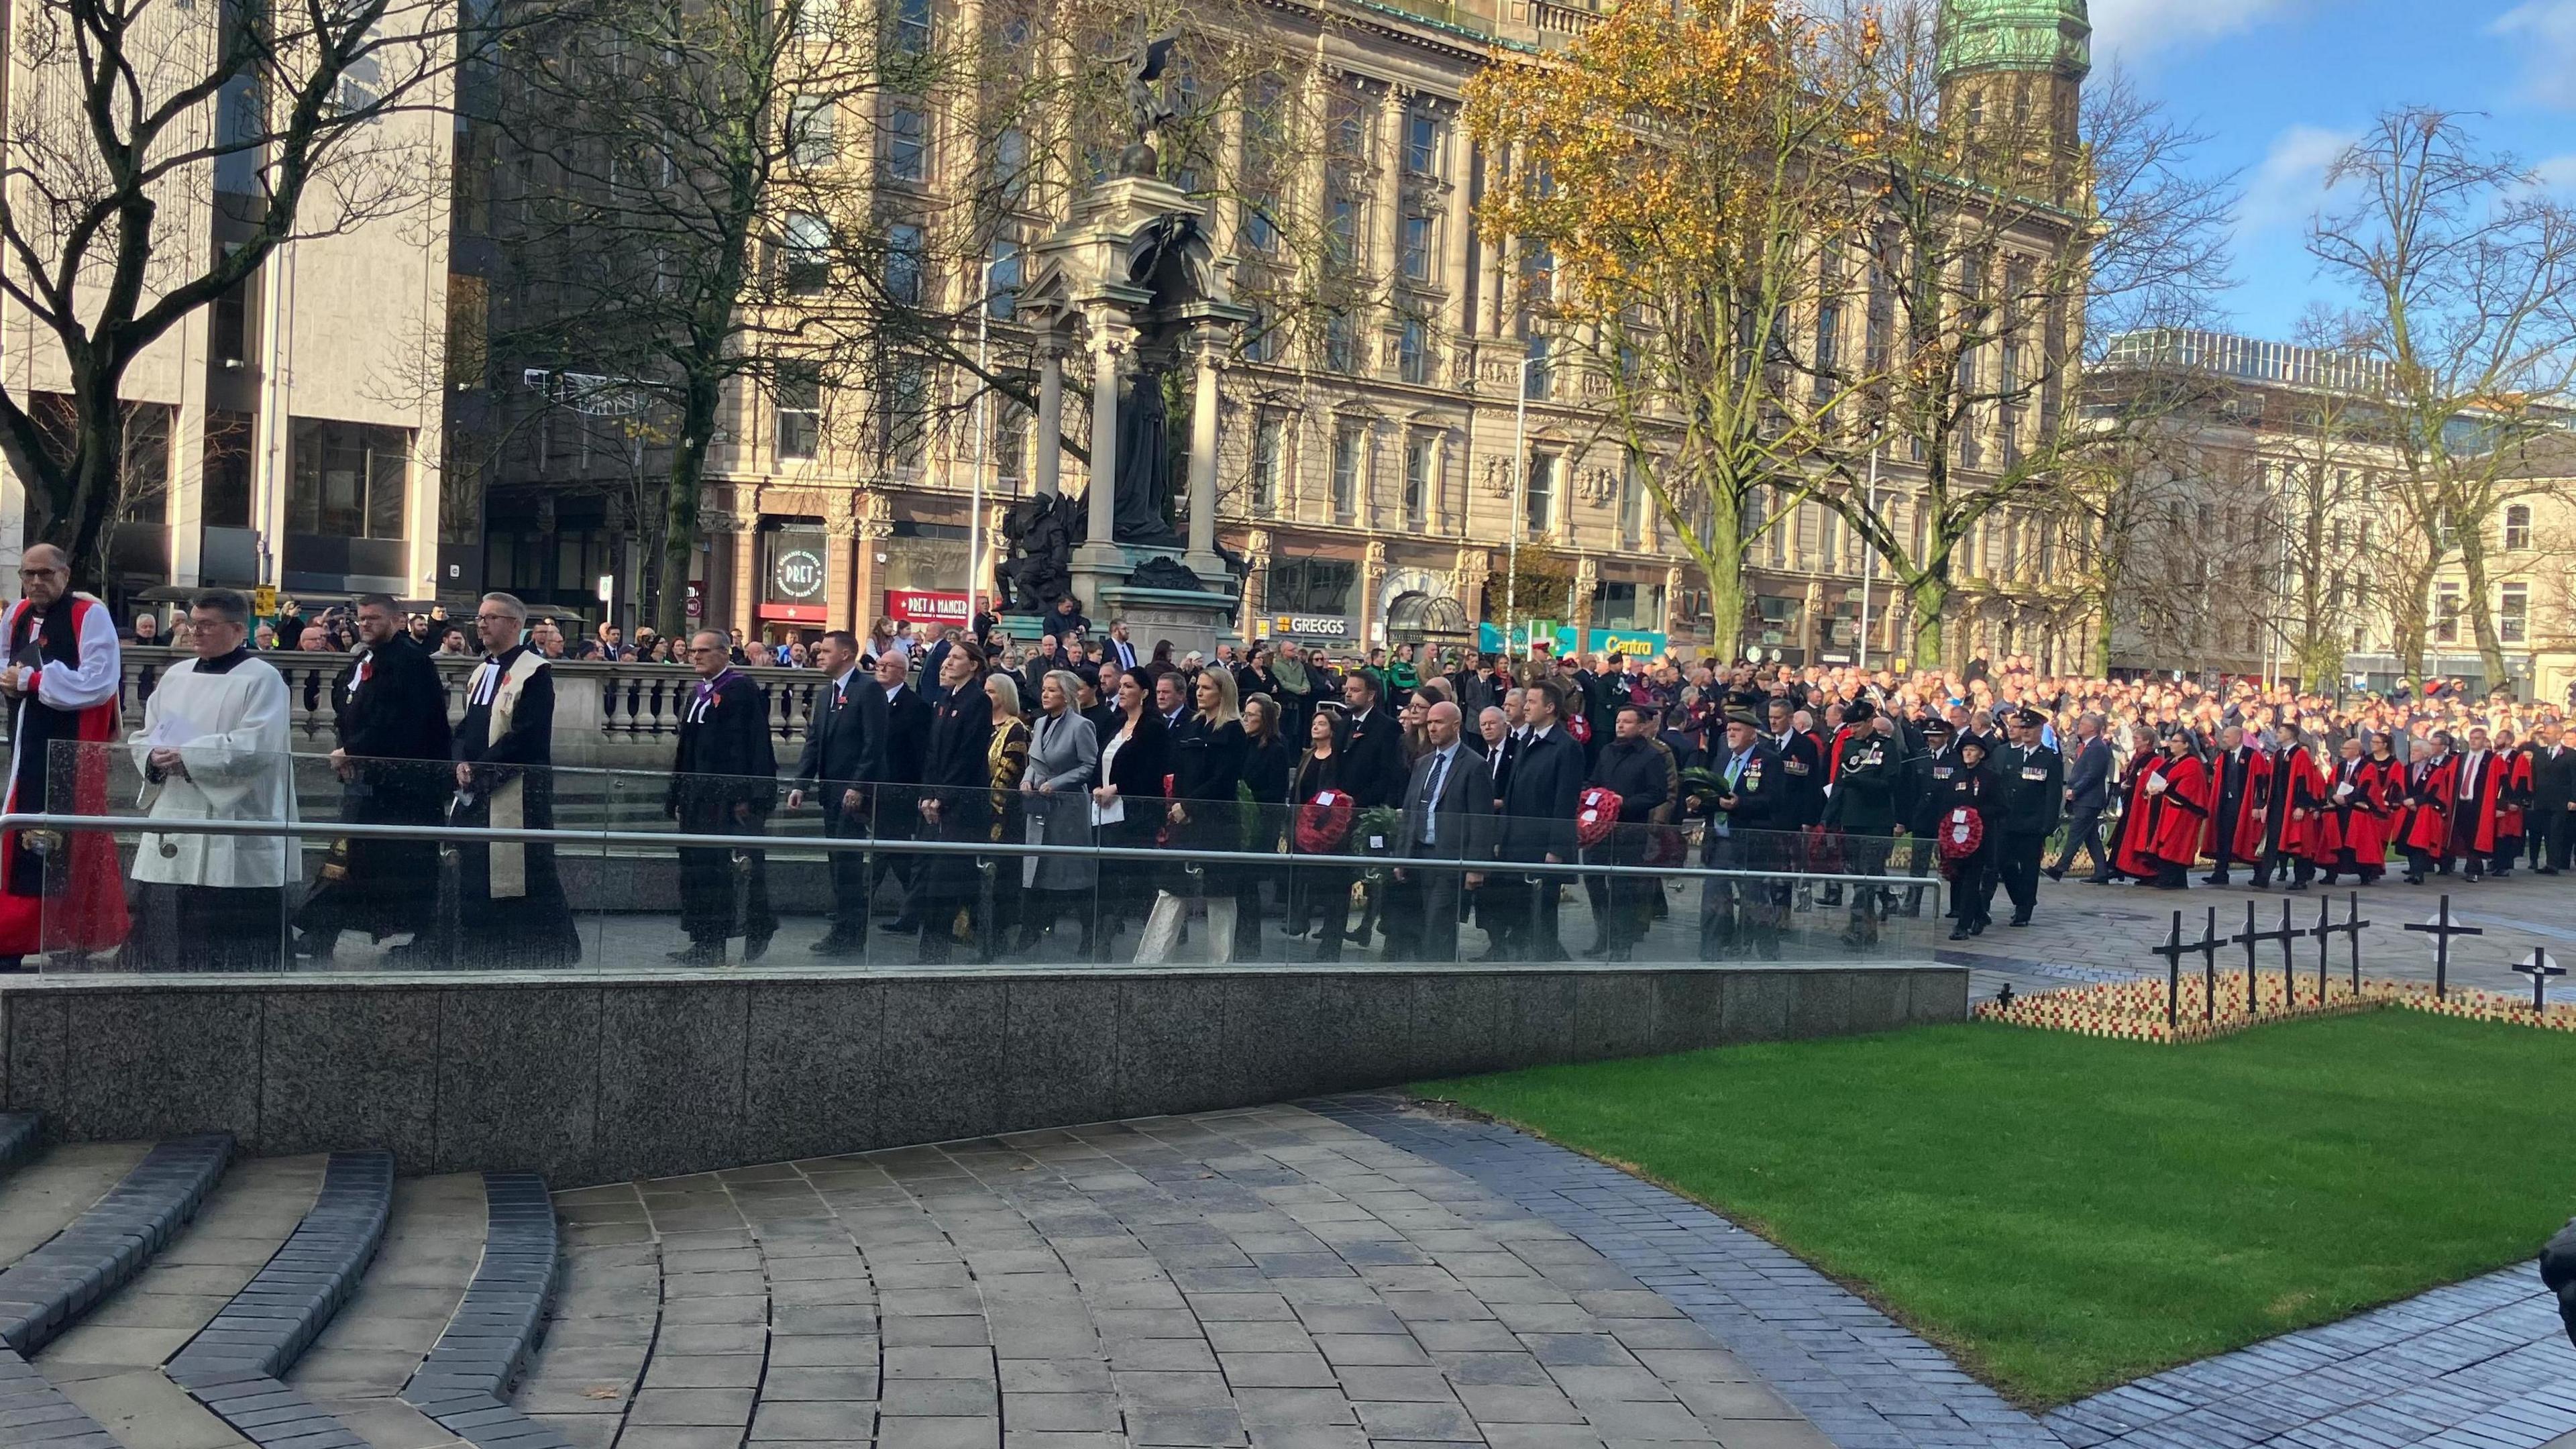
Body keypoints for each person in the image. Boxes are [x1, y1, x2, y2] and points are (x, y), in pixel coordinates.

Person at [125, 590, 295, 969]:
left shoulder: (263, 679)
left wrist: (189, 757)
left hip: (235, 817)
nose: (193, 632)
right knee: (165, 923)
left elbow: (257, 746)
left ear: (238, 630)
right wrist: (153, 756)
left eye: (206, 625)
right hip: (175, 811)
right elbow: (146, 733)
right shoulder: (175, 675)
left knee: (230, 937)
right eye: (191, 623)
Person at [295, 593, 452, 962]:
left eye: (374, 618)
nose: (365, 624)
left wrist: (356, 751)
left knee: (406, 866)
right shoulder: (362, 658)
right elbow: (345, 709)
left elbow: (404, 721)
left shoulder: (412, 662)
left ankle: (425, 939)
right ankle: (321, 931)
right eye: (362, 618)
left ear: (397, 621)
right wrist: (346, 748)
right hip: (366, 780)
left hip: (404, 788)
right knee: (346, 859)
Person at [0, 544, 127, 967]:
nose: (36, 582)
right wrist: (10, 679)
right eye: (28, 573)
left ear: (65, 574)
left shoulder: (89, 615)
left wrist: (34, 680)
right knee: (23, 834)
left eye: (45, 574)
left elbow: (100, 682)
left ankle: (69, 934)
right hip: (27, 738)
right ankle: (18, 936)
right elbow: (4, 661)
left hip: (68, 746)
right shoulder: (16, 613)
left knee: (60, 838)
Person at [451, 593, 582, 967]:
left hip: (516, 790)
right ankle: (477, 942)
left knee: (523, 870)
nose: (481, 623)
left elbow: (529, 736)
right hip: (476, 786)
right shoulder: (481, 671)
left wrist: (480, 768)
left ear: (514, 625)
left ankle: (543, 947)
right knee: (476, 865)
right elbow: (465, 727)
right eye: (479, 617)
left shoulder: (535, 672)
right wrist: (458, 761)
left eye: (491, 617)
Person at [665, 631, 777, 965]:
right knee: (696, 870)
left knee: (724, 869)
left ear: (724, 653)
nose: (695, 656)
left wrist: (747, 794)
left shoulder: (740, 689)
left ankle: (746, 929)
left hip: (727, 799)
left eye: (704, 651)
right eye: (693, 651)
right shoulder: (698, 693)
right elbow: (686, 749)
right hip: (697, 796)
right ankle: (702, 939)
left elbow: (754, 744)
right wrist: (677, 796)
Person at [1138, 667, 1248, 963]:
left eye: (1207, 688)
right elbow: (1181, 770)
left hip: (1218, 822)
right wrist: (1179, 805)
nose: (1199, 692)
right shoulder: (1192, 725)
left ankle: (1220, 965)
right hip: (1185, 819)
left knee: (1220, 895)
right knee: (1172, 889)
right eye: (1198, 687)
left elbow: (1224, 779)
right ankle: (1151, 960)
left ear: (1223, 692)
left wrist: (1189, 806)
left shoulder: (1234, 730)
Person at [789, 631, 873, 957]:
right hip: (829, 793)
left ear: (847, 654)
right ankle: (843, 926)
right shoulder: (826, 695)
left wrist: (858, 785)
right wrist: (800, 783)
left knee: (848, 865)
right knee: (836, 862)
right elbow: (814, 744)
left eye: (826, 651)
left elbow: (873, 744)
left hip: (853, 794)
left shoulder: (867, 691)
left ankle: (850, 932)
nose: (819, 655)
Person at [908, 644, 994, 961]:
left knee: (951, 879)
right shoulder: (944, 699)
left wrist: (943, 797)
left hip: (961, 806)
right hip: (936, 803)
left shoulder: (978, 701)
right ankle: (930, 947)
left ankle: (966, 943)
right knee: (930, 876)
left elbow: (968, 755)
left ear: (973, 665)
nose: (947, 662)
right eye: (948, 657)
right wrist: (928, 793)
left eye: (956, 658)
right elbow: (932, 752)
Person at [1017, 669, 1099, 953]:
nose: (1045, 694)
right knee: (1035, 868)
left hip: (1067, 809)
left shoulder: (1081, 725)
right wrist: (1027, 778)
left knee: (1070, 872)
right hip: (1039, 805)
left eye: (1052, 690)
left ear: (1066, 695)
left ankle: (1089, 935)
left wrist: (1057, 782)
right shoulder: (1039, 723)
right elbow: (1035, 760)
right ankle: (1030, 930)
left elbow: (1088, 766)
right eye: (1044, 688)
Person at [1090, 667, 1169, 953]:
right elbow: (1101, 762)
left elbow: (1151, 771)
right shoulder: (1115, 724)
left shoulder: (1153, 727)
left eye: (1129, 686)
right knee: (1108, 876)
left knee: (1128, 877)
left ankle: (1106, 941)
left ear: (1144, 693)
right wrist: (1099, 787)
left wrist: (1118, 787)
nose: (1121, 691)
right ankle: (1102, 939)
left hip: (1135, 813)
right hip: (1106, 812)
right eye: (1120, 686)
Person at [1582, 704, 1668, 961]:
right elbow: (1594, 780)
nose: (1620, 725)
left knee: (1623, 888)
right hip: (1599, 831)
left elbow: (1657, 794)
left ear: (1641, 727)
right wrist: (1588, 794)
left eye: (1627, 722)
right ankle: (1603, 936)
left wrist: (1625, 803)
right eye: (1619, 721)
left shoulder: (1652, 756)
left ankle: (1623, 943)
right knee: (1595, 881)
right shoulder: (1607, 751)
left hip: (1630, 830)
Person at [1699, 709, 1787, 958]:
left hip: (1749, 841)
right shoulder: (1722, 758)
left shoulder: (1768, 760)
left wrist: (1741, 804)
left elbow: (1774, 800)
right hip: (1719, 841)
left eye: (1737, 730)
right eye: (1729, 729)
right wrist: (1701, 801)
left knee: (1755, 899)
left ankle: (1769, 953)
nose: (1731, 733)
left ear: (1751, 734)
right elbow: (1713, 792)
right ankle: (1711, 950)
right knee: (1714, 896)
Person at [863, 648, 934, 931]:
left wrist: (917, 791)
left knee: (895, 853)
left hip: (900, 791)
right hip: (875, 790)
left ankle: (908, 912)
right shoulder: (870, 700)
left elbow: (919, 755)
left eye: (887, 666)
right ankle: (863, 906)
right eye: (878, 664)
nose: (880, 669)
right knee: (885, 851)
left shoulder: (915, 707)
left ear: (903, 673)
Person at [1290, 707, 1359, 958]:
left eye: (1321, 723)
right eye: (1314, 723)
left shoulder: (1339, 757)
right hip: (1304, 829)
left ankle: (1331, 937)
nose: (1315, 727)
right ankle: (1300, 918)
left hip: (1331, 829)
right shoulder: (1307, 756)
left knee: (1332, 888)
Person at [2111, 727, 2208, 891]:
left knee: (2173, 844)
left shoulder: (2192, 764)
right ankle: (2175, 880)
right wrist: (2150, 788)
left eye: (2176, 741)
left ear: (2185, 745)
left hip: (2180, 811)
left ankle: (2170, 878)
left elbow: (2189, 788)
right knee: (2161, 843)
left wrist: (2166, 789)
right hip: (2162, 807)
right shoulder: (2170, 761)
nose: (2171, 744)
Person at [1990, 707, 2061, 928]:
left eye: (2031, 728)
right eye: (2023, 728)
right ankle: (2021, 899)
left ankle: (2024, 911)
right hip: (2007, 820)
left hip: (2032, 822)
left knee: (2029, 867)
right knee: (2003, 863)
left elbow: (2053, 794)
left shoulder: (2049, 758)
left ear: (2041, 730)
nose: (2026, 732)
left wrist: (2048, 824)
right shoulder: (2010, 753)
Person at [981, 672, 1032, 954]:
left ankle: (997, 935)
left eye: (992, 692)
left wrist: (992, 803)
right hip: (976, 810)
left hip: (1003, 815)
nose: (986, 696)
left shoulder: (1015, 729)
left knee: (999, 876)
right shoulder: (981, 725)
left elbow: (1010, 774)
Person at [1940, 735, 2002, 941]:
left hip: (1979, 838)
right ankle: (1981, 914)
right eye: (1965, 750)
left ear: (1981, 754)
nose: (1968, 753)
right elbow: (1946, 805)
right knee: (1961, 878)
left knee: (1971, 880)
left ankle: (1962, 926)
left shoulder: (1990, 777)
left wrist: (1975, 814)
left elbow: (2002, 807)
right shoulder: (1955, 777)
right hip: (1956, 838)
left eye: (1973, 750)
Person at [2253, 724, 2324, 891]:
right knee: (2272, 841)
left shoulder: (2300, 755)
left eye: (2281, 732)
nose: (2277, 734)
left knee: (2297, 843)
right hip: (2277, 805)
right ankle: (2263, 877)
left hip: (2293, 806)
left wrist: (2301, 806)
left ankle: (2301, 879)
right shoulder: (2278, 755)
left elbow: (2304, 781)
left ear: (2291, 735)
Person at [2048, 712, 2114, 883]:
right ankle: (2102, 872)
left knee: (2076, 833)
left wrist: (2076, 789)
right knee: (2091, 837)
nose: (2079, 726)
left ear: (2092, 728)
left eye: (2083, 724)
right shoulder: (2087, 746)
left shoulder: (2098, 747)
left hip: (2090, 799)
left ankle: (2060, 868)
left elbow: (2092, 774)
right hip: (2085, 798)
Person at [2312, 735, 2387, 886]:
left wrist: (2347, 799)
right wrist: (2334, 796)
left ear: (2356, 751)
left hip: (2356, 811)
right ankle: (2331, 874)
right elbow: (2330, 784)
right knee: (2334, 842)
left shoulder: (2368, 767)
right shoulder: (2339, 767)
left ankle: (2364, 875)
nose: (2343, 751)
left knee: (2359, 844)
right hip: (2338, 811)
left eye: (2346, 748)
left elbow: (2367, 787)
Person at [2200, 724, 2268, 887]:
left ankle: (2260, 874)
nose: (2224, 740)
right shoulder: (2224, 757)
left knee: (2249, 838)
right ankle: (2220, 872)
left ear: (2238, 738)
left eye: (2227, 737)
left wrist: (2258, 805)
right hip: (2226, 804)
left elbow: (2261, 783)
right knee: (2223, 837)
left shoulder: (2253, 757)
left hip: (2245, 804)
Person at [2394, 734, 2458, 884]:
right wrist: (2405, 800)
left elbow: (2436, 792)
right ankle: (2412, 870)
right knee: (2407, 841)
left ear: (2425, 753)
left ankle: (2419, 873)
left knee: (2418, 842)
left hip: (2424, 812)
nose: (2413, 753)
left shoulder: (2436, 771)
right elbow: (2397, 788)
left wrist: (2416, 800)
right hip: (2407, 811)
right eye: (2412, 750)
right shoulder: (2406, 770)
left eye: (2416, 750)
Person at [2532, 722, 2574, 874]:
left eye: (2549, 733)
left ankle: (2554, 864)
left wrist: (2574, 799)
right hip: (2542, 799)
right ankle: (2549, 862)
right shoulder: (2539, 753)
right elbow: (2534, 776)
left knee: (2556, 831)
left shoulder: (2570, 755)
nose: (2545, 735)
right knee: (2546, 831)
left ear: (2558, 735)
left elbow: (2574, 778)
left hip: (2561, 801)